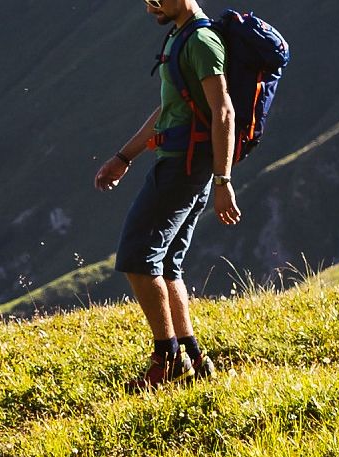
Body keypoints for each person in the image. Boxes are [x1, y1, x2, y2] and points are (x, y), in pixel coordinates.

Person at [93, 0, 243, 391]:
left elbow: (223, 112)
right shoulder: (180, 36)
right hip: (179, 162)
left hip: (184, 167)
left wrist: (223, 181)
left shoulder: (202, 41)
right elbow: (169, 109)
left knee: (138, 258)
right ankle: (193, 356)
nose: (150, 8)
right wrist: (124, 156)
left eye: (156, 0)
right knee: (167, 264)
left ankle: (167, 359)